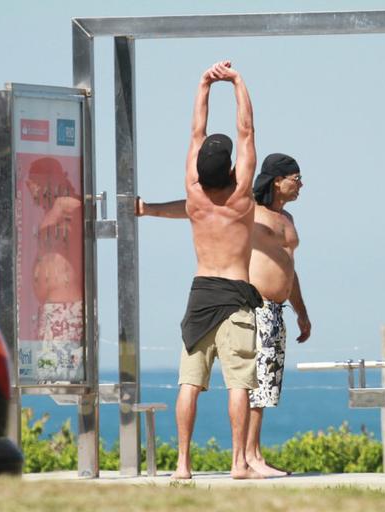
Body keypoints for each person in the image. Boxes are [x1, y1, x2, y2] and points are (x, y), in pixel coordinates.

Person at [137, 153, 311, 477]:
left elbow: (289, 267)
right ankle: (249, 457)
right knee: (251, 382)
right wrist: (150, 210)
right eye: (296, 177)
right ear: (277, 179)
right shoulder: (251, 211)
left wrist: (301, 311)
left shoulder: (287, 219)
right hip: (252, 304)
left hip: (277, 309)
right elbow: (193, 209)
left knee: (266, 384)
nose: (301, 184)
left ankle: (254, 453)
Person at [170, 60, 262, 480]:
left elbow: (195, 132)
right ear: (228, 170)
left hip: (200, 293)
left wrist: (203, 82)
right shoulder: (241, 196)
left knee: (190, 382)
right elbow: (246, 132)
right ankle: (237, 463)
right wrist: (236, 82)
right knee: (238, 383)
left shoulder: (193, 194)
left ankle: (182, 465)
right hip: (236, 296)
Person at [24, 157, 84, 381]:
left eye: (35, 184)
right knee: (48, 376)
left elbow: (81, 206)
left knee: (61, 378)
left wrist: (58, 207)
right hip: (52, 310)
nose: (31, 190)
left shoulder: (65, 205)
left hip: (64, 309)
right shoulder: (51, 210)